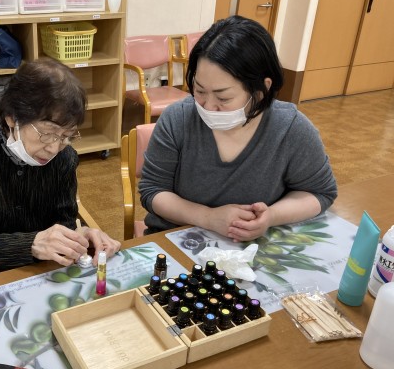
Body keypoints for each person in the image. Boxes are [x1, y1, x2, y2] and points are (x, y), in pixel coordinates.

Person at [139, 15, 337, 242]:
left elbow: (319, 192)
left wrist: (271, 216)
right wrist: (208, 217)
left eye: (223, 98)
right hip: (177, 241)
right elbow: (153, 190)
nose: (208, 106)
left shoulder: (291, 129)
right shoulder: (178, 119)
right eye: (200, 91)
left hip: (254, 247)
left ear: (261, 90)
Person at [0, 58, 120, 287]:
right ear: (12, 118)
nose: (54, 148)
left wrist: (80, 235)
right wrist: (31, 244)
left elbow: (63, 222)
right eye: (47, 133)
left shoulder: (65, 158)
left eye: (66, 136)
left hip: (34, 272)